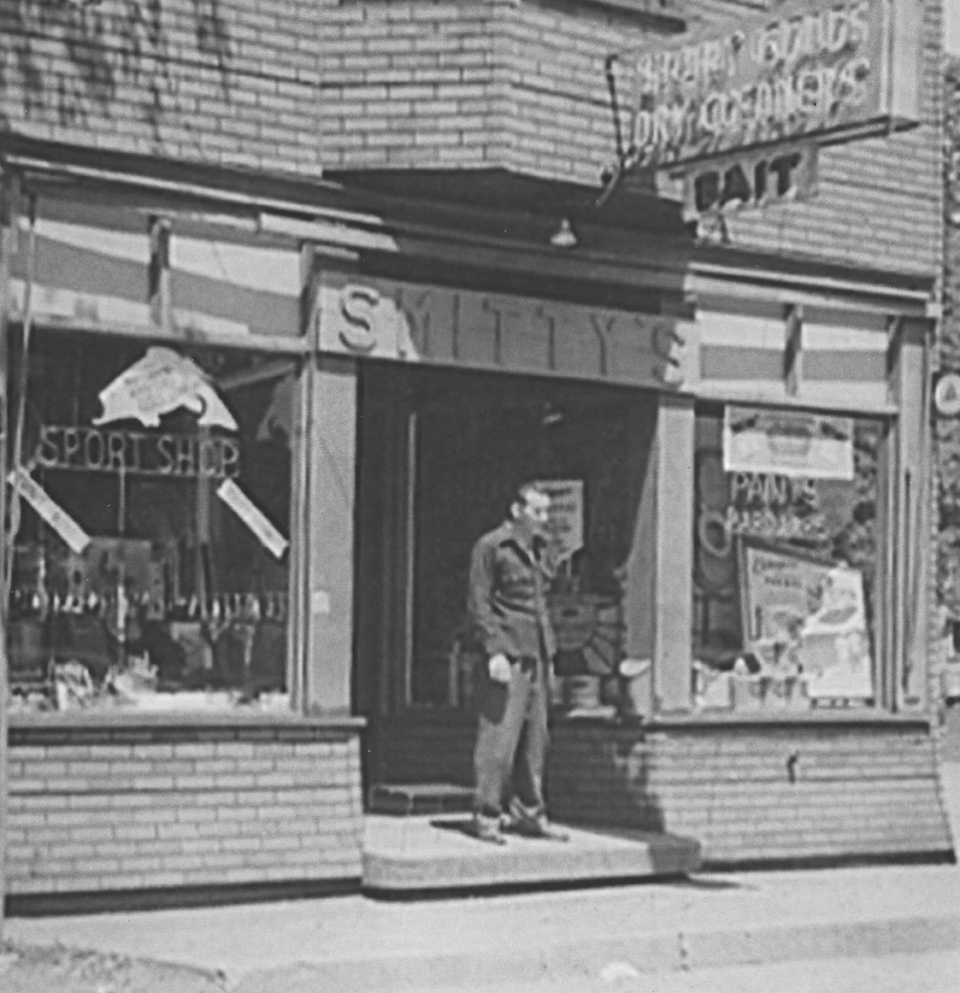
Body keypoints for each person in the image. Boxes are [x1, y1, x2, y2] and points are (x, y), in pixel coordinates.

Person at [467, 482, 568, 845]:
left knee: (536, 739)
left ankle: (530, 812)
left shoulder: (541, 551)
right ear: (516, 510)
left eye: (546, 513)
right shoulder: (492, 547)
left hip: (538, 652)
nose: (543, 520)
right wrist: (493, 650)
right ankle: (487, 814)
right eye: (537, 512)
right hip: (508, 652)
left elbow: (544, 597)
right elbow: (479, 604)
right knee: (499, 737)